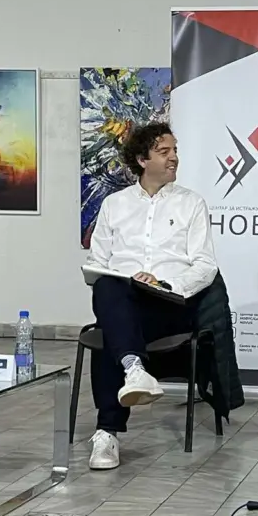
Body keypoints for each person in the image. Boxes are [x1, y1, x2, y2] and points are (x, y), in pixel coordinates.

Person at [84, 122, 218, 470]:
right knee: (108, 287)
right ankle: (134, 370)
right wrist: (124, 278)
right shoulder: (114, 205)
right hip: (123, 298)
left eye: (175, 151)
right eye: (164, 151)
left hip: (169, 303)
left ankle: (107, 430)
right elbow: (97, 263)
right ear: (142, 160)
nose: (174, 158)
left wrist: (164, 283)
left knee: (111, 331)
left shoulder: (191, 204)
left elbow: (206, 266)